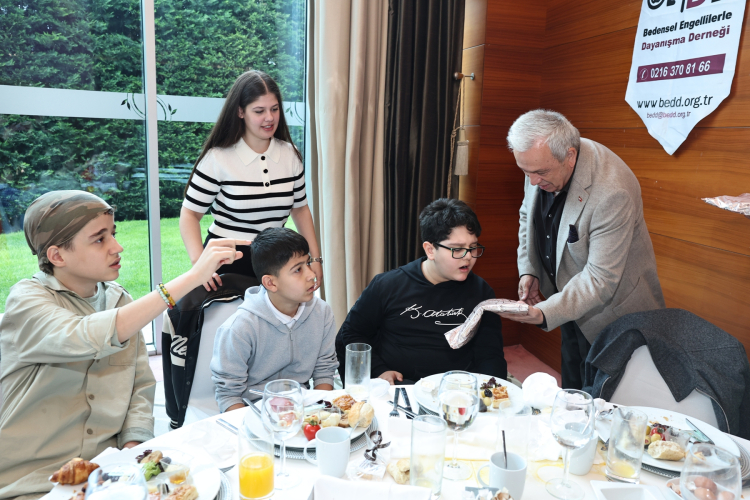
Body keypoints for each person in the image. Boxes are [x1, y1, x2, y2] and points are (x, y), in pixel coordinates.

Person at [0, 190, 248, 499]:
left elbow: (139, 385)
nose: (117, 247)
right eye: (99, 239)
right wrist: (194, 277)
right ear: (57, 256)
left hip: (108, 477)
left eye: (113, 234)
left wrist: (134, 447)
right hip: (30, 483)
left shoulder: (119, 299)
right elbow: (84, 336)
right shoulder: (26, 301)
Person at [499, 109, 665, 389]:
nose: (532, 181)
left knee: (604, 399)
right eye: (525, 172)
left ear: (570, 156)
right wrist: (529, 270)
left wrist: (544, 313)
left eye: (539, 173)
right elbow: (527, 215)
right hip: (569, 300)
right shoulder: (539, 160)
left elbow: (601, 278)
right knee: (572, 387)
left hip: (614, 315)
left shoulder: (612, 191)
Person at [336, 198, 506, 385]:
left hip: (457, 388)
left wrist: (491, 390)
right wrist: (379, 370)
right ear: (430, 250)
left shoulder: (482, 293)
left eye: (473, 247)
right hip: (400, 386)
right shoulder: (388, 285)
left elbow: (490, 353)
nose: (468, 257)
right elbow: (350, 334)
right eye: (457, 249)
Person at [180, 69, 323, 292]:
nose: (270, 118)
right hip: (227, 263)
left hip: (276, 262)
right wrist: (199, 265)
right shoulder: (217, 158)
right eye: (259, 111)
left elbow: (300, 209)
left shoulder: (290, 154)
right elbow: (190, 214)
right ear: (240, 111)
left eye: (274, 109)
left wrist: (315, 259)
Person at [210, 227, 337, 411]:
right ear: (270, 283)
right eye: (298, 270)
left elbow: (324, 371)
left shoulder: (322, 313)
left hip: (304, 409)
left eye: (308, 263)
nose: (311, 275)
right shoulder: (239, 328)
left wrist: (320, 414)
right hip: (253, 411)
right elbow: (229, 395)